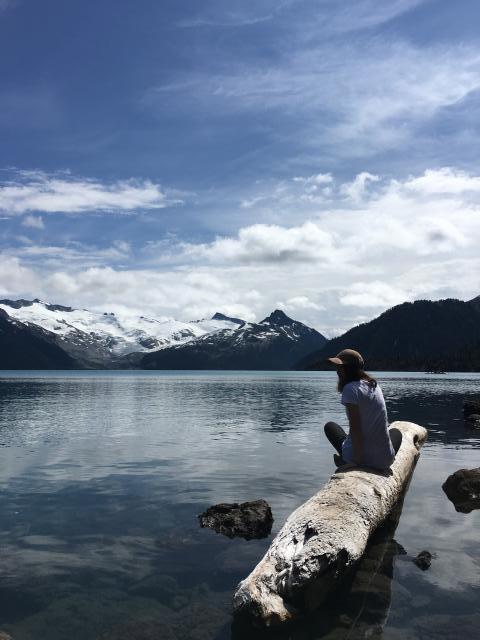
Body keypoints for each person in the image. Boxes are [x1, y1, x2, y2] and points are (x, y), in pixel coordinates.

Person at [324, 349, 402, 470]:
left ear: (348, 369)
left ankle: (346, 459)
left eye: (340, 367)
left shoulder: (350, 389)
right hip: (385, 461)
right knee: (397, 432)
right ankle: (379, 454)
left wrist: (357, 462)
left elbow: (356, 428)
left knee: (330, 426)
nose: (337, 371)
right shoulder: (374, 386)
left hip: (360, 459)